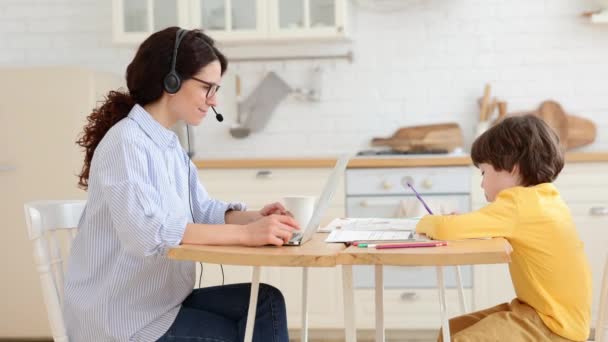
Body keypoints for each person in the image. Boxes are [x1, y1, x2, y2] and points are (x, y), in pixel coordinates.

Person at [63, 27, 298, 342]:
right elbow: (147, 234)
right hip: (125, 320)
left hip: (160, 303)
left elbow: (202, 210)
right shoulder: (126, 143)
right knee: (236, 331)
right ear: (171, 80)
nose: (213, 101)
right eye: (207, 88)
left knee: (266, 302)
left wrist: (256, 218)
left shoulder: (169, 146)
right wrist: (245, 234)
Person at [416, 115, 592, 342]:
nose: (481, 183)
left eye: (483, 172)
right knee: (451, 331)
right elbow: (497, 227)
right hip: (546, 313)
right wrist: (465, 225)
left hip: (552, 324)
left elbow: (443, 228)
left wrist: (424, 222)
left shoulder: (518, 203)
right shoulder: (543, 198)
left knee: (460, 339)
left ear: (513, 169)